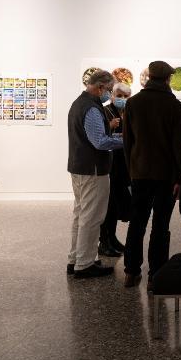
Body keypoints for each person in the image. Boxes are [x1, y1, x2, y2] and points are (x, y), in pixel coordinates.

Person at [121, 61, 181, 289]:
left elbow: (127, 141)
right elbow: (178, 146)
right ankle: (155, 275)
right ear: (168, 79)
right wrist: (180, 177)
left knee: (137, 223)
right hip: (166, 175)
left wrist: (131, 169)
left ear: (149, 77)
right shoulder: (174, 106)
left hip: (139, 172)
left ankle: (131, 271)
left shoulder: (133, 103)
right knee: (161, 225)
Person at [65, 70, 122, 278]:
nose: (109, 95)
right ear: (100, 87)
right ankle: (85, 264)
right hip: (93, 170)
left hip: (79, 167)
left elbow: (95, 135)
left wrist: (114, 134)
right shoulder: (91, 108)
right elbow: (100, 142)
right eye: (108, 90)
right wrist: (127, 141)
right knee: (91, 217)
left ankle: (75, 259)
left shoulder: (78, 103)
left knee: (80, 215)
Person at [98, 82, 131, 258]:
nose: (122, 99)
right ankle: (104, 241)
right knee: (108, 205)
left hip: (123, 166)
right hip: (110, 165)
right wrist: (109, 126)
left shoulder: (127, 112)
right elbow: (100, 137)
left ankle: (112, 237)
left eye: (126, 96)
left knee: (117, 204)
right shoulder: (105, 111)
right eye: (119, 95)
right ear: (113, 95)